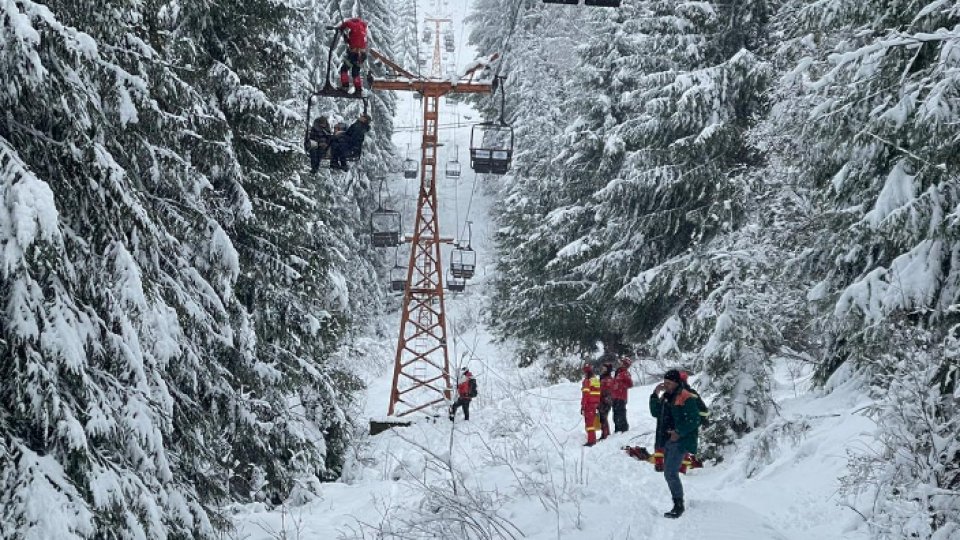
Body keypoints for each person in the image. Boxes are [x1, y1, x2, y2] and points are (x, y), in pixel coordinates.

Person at [650, 369, 702, 519]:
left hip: (679, 441)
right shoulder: (667, 397)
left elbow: (694, 420)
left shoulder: (685, 396)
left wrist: (678, 432)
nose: (665, 385)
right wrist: (655, 394)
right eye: (664, 382)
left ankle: (678, 505)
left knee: (670, 473)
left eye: (668, 382)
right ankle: (677, 502)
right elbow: (655, 412)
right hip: (666, 440)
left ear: (676, 382)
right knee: (669, 473)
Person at [338, 17, 368, 92]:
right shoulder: (363, 27)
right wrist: (347, 39)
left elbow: (346, 24)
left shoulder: (353, 24)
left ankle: (345, 86)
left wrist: (341, 29)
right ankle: (358, 89)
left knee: (344, 69)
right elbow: (356, 40)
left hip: (353, 54)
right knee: (355, 72)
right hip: (362, 55)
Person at [580, 364, 601, 447]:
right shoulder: (595, 380)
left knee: (589, 424)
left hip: (588, 404)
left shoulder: (587, 381)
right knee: (591, 423)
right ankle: (593, 439)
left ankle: (591, 441)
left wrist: (583, 406)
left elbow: (586, 394)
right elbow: (598, 393)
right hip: (595, 404)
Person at [612, 356, 634, 432]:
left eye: (622, 362)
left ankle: (624, 429)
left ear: (625, 364)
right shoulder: (618, 372)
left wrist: (621, 385)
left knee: (621, 413)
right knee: (615, 414)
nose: (620, 363)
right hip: (615, 396)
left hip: (621, 397)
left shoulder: (625, 373)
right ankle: (617, 429)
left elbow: (630, 384)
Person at [598, 362, 615, 440]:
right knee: (602, 418)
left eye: (605, 367)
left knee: (603, 418)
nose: (603, 369)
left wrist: (604, 398)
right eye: (603, 367)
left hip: (606, 401)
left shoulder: (608, 379)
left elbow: (606, 390)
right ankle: (604, 434)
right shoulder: (603, 377)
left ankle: (606, 435)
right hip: (601, 400)